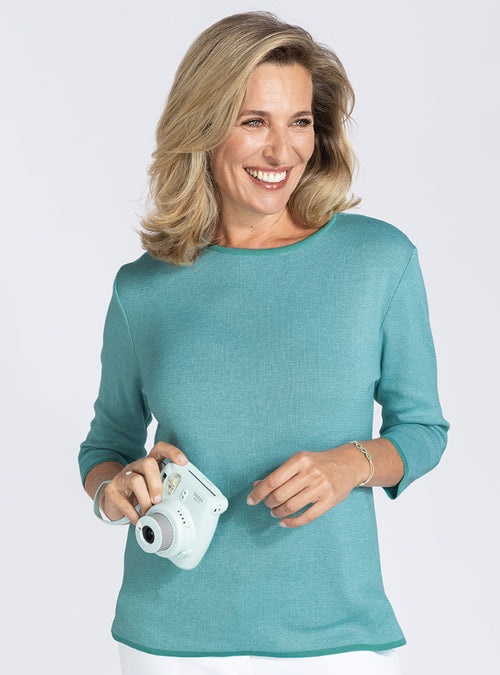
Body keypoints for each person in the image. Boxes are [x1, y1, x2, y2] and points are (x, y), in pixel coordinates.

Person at [79, 11, 449, 675]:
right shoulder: (143, 288)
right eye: (254, 121)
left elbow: (423, 429)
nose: (282, 151)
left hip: (337, 640)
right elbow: (106, 446)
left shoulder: (379, 261)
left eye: (299, 121)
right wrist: (115, 489)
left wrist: (351, 464)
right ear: (203, 126)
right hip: (168, 639)